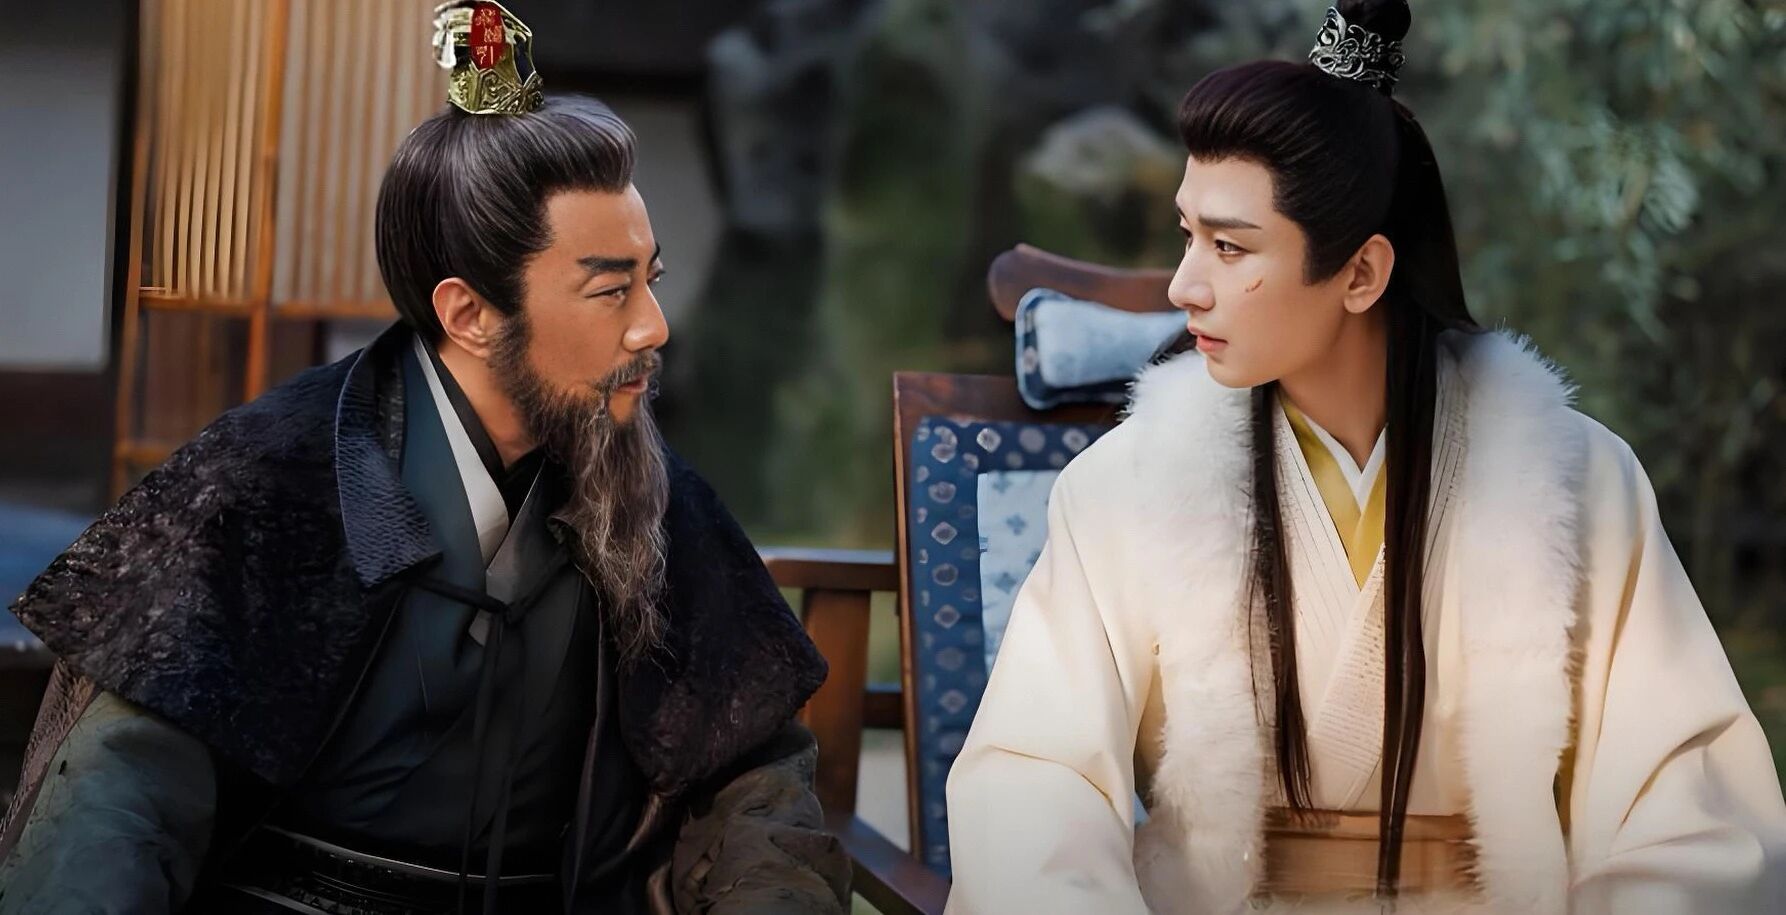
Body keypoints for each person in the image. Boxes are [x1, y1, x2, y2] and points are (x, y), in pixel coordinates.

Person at [0, 3, 849, 912]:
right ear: (469, 314)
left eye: (653, 280)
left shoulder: (652, 490)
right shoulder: (272, 474)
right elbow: (119, 797)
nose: (653, 326)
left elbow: (753, 786)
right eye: (611, 291)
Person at [943, 1, 1786, 912]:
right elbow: (1033, 779)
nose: (1185, 285)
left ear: (1361, 273)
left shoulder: (1575, 480)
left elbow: (1687, 805)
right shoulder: (1129, 485)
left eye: (1229, 246)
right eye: (1189, 236)